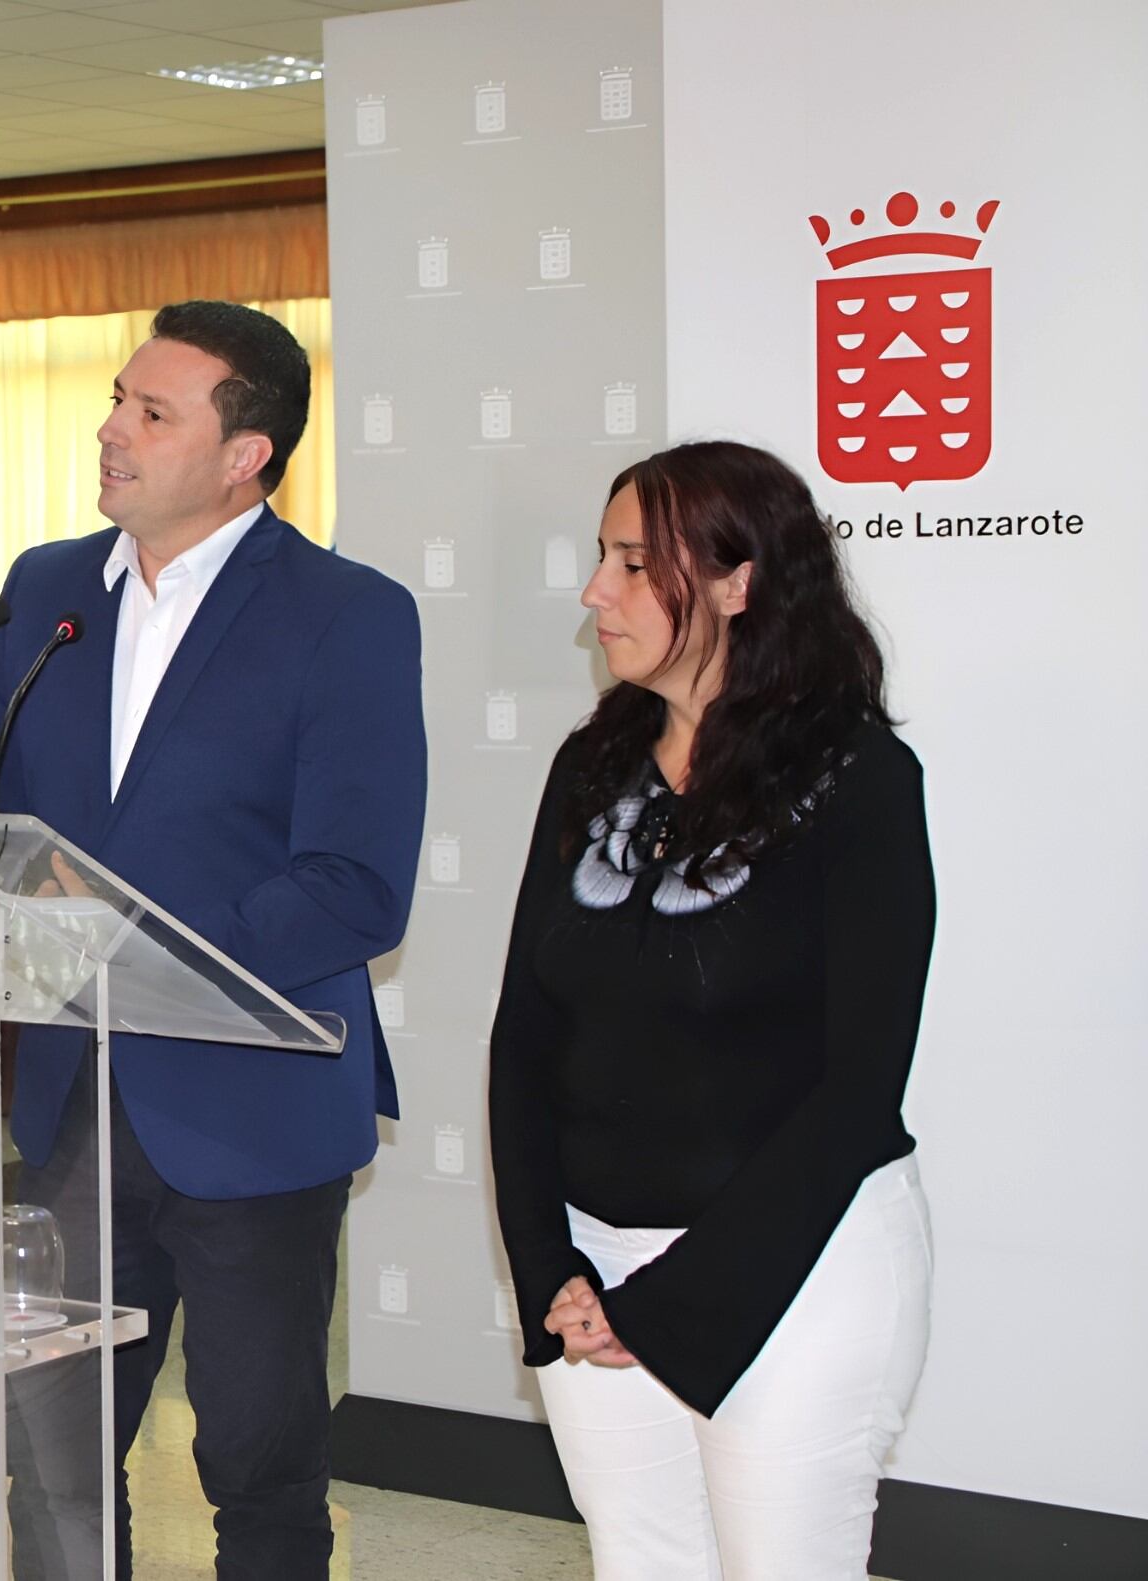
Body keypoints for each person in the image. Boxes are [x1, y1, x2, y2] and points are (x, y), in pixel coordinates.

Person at [0, 300, 425, 1578]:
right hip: (71, 1105)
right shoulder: (45, 591)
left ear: (245, 452)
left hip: (250, 1105)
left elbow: (356, 885)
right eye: (115, 400)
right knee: (50, 1451)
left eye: (153, 414)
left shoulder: (344, 615)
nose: (113, 432)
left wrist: (130, 938)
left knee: (257, 1461)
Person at [488, 441, 936, 1579]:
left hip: (800, 1269)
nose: (597, 591)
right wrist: (550, 1268)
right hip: (596, 1272)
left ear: (739, 583)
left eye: (636, 565)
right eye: (603, 558)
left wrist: (667, 1304)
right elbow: (526, 1033)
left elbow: (858, 1088)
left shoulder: (860, 780)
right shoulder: (595, 765)